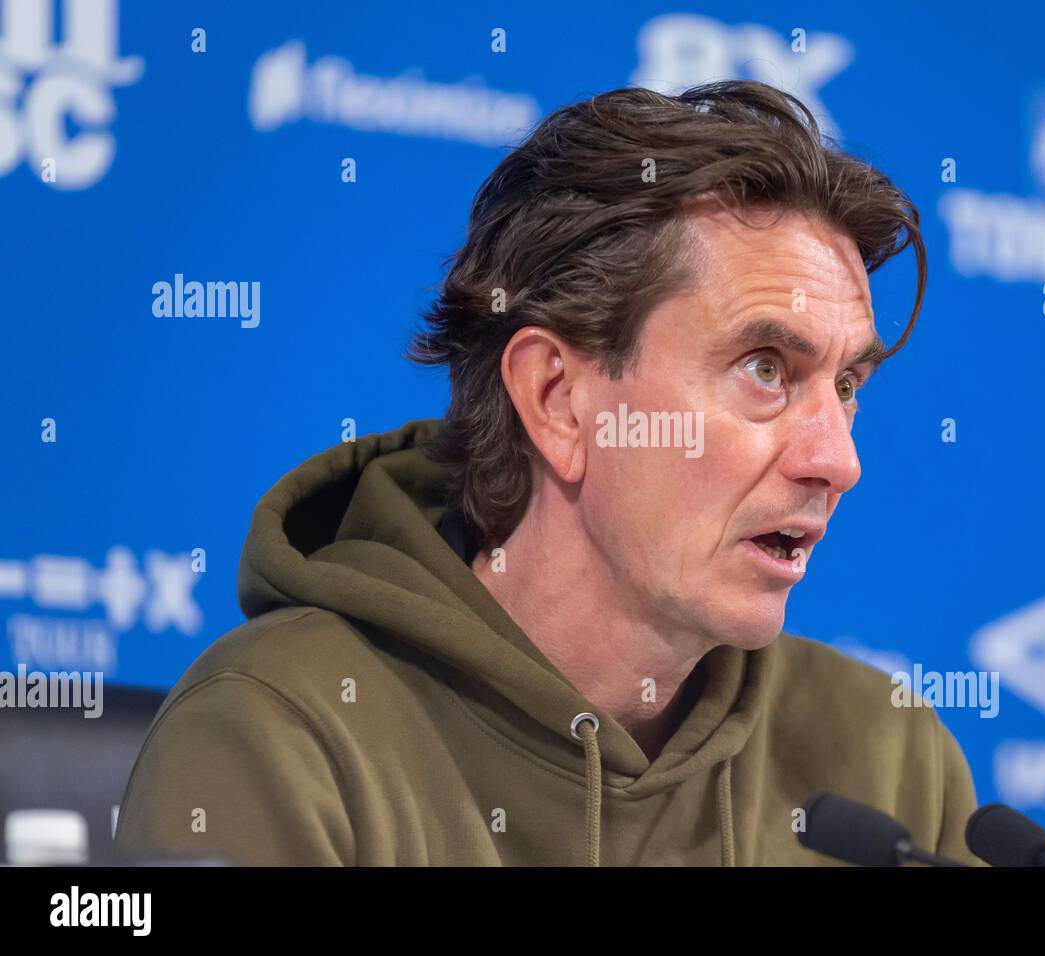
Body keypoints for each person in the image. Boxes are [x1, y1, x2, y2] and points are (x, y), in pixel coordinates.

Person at [114, 79, 986, 866]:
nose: (839, 460)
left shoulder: (889, 766)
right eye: (766, 369)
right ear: (559, 399)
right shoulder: (282, 734)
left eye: (845, 385)